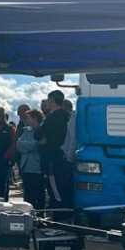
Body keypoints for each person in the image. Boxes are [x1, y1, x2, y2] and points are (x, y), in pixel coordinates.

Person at [36, 90, 72, 219]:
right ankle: (61, 217)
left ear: (52, 100)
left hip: (52, 159)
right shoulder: (67, 116)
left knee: (55, 190)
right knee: (59, 189)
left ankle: (61, 218)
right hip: (60, 158)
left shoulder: (54, 117)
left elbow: (38, 133)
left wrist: (46, 139)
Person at [16, 109, 46, 209]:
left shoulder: (41, 131)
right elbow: (18, 144)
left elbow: (33, 145)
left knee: (38, 193)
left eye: (29, 117)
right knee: (28, 194)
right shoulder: (26, 131)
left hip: (37, 167)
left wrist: (27, 146)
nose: (26, 119)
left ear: (35, 118)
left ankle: (40, 213)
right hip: (26, 166)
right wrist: (28, 147)